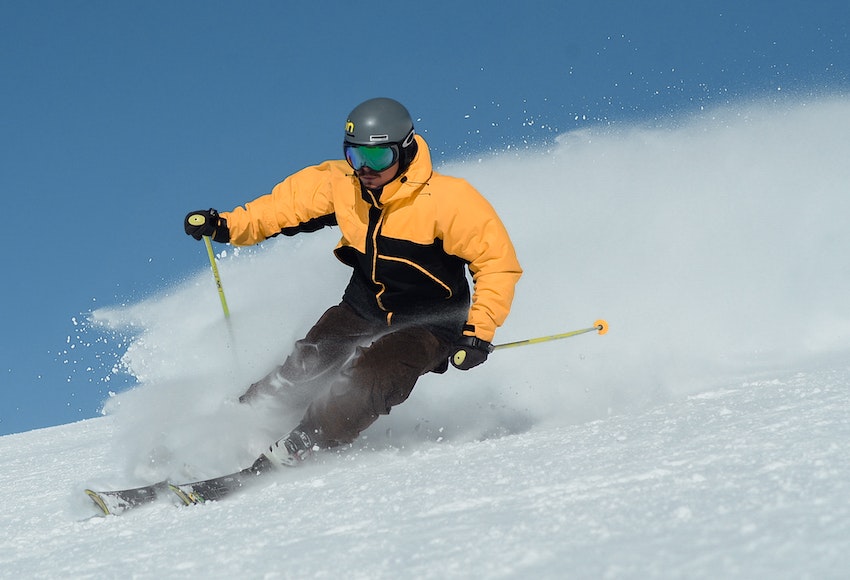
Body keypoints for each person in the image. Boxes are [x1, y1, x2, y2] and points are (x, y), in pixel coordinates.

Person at [184, 97, 522, 468]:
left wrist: (478, 332)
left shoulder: (449, 200)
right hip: (365, 306)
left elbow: (497, 263)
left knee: (371, 376)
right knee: (307, 364)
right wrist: (229, 225)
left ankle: (305, 442)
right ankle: (236, 426)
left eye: (376, 159)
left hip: (432, 321)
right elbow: (282, 208)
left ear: (405, 150)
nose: (365, 169)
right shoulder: (343, 185)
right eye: (355, 157)